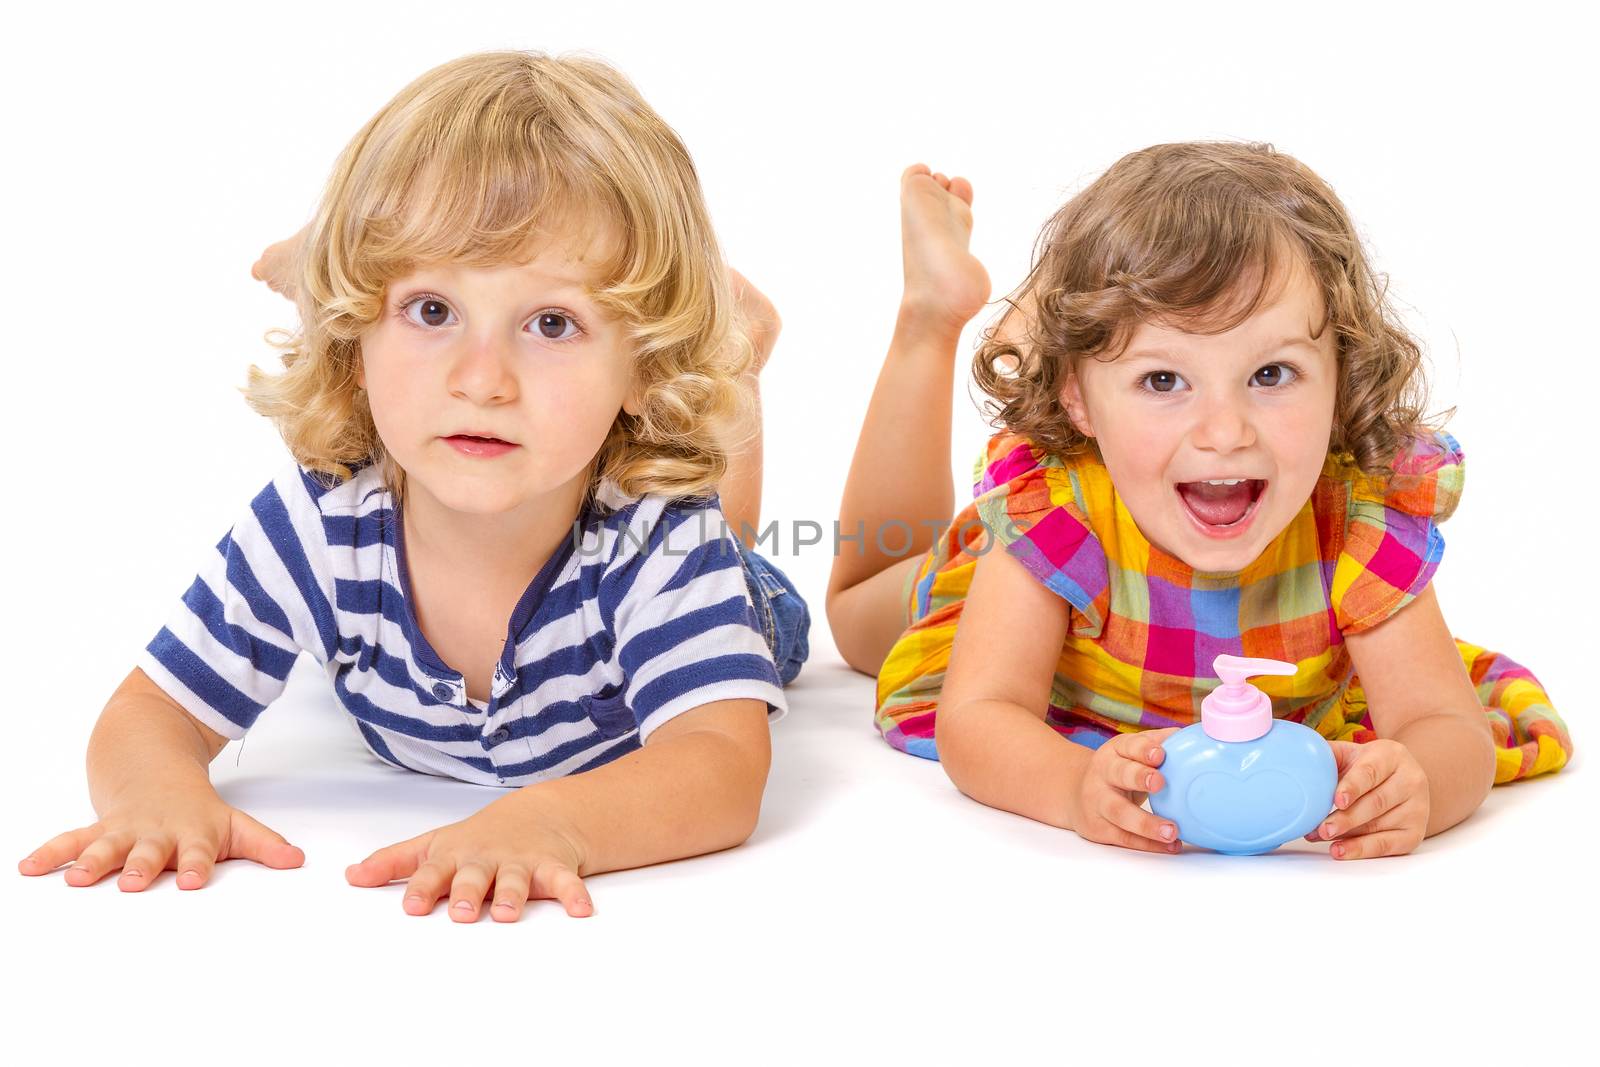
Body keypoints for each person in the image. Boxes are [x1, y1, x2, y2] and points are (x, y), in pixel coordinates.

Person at [18, 50, 809, 919]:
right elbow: (151, 709)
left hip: (714, 574)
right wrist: (154, 797)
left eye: (551, 322)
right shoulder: (319, 520)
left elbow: (722, 763)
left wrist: (555, 821)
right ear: (354, 346)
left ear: (640, 370)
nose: (482, 380)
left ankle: (730, 358)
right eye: (432, 309)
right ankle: (343, 268)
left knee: (723, 531)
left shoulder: (661, 540)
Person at [827, 146, 1570, 860]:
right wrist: (1073, 785)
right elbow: (978, 718)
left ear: (1341, 375)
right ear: (1081, 401)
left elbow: (1445, 725)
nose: (1224, 433)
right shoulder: (1057, 516)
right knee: (860, 618)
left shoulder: (1358, 525)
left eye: (1272, 372)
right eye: (1163, 381)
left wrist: (1420, 787)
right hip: (1034, 589)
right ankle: (936, 315)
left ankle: (1063, 336)